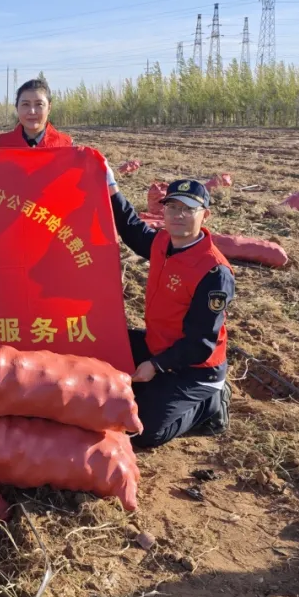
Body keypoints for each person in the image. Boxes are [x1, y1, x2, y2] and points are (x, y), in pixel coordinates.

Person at [110, 179, 235, 449]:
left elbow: (200, 344)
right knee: (104, 344)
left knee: (142, 431)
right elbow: (131, 228)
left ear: (205, 215)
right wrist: (110, 187)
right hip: (158, 343)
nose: (179, 215)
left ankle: (209, 407)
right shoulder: (163, 242)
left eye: (189, 209)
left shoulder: (214, 272)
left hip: (195, 369)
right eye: (173, 207)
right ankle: (156, 386)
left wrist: (155, 365)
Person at [0, 77, 118, 194]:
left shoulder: (66, 146)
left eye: (39, 104)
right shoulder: (1, 145)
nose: (32, 111)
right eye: (25, 104)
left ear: (49, 108)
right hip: (13, 206)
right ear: (17, 108)